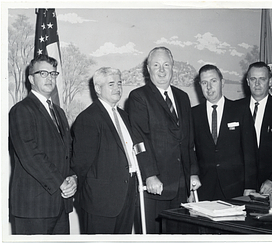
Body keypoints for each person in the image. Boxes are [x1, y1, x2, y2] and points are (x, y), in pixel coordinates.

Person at [127, 47, 200, 234]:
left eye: (166, 65)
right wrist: (150, 174)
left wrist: (192, 172)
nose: (161, 70)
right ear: (148, 69)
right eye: (156, 65)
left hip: (182, 185)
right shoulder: (138, 97)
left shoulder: (183, 98)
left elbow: (188, 139)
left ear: (173, 67)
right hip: (155, 186)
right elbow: (139, 140)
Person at [9, 55, 77, 234]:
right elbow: (30, 154)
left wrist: (72, 177)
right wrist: (60, 183)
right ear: (31, 79)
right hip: (33, 207)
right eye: (43, 73)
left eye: (53, 74)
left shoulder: (59, 112)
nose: (50, 78)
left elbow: (67, 151)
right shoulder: (21, 110)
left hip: (60, 205)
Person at [71, 67, 140, 234]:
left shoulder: (125, 116)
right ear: (97, 89)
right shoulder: (88, 118)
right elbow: (80, 164)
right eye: (111, 84)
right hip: (100, 202)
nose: (117, 88)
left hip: (127, 196)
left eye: (119, 83)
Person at [192, 64, 257, 201]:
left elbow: (250, 150)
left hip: (236, 187)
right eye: (204, 83)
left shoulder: (240, 110)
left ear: (222, 83)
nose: (209, 87)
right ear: (200, 86)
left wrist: (250, 185)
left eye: (213, 81)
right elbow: (190, 151)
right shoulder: (193, 114)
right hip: (205, 189)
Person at [236, 61, 272, 193]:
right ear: (247, 81)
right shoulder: (235, 108)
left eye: (262, 79)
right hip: (242, 188)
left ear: (270, 81)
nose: (257, 83)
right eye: (253, 79)